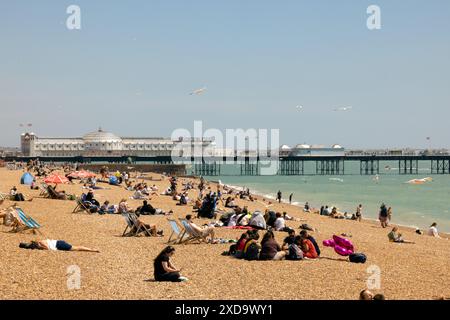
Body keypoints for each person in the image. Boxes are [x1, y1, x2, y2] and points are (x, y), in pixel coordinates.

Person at [19, 239, 99, 252]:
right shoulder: (40, 241)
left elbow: (47, 248)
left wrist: (40, 247)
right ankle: (91, 249)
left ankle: (92, 250)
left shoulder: (41, 243)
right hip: (59, 243)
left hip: (59, 244)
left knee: (77, 248)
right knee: (76, 247)